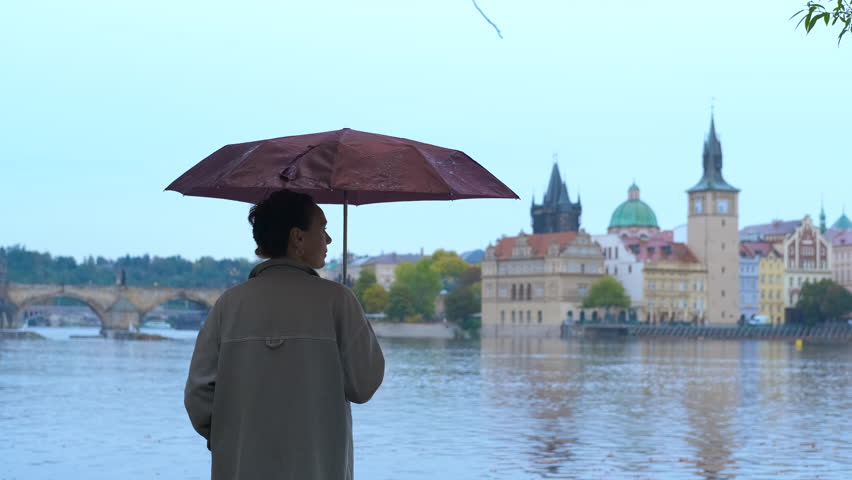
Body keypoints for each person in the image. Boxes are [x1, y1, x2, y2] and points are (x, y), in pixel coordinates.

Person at [185, 190, 385, 480]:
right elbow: (363, 385)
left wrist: (232, 441)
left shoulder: (228, 304)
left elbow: (198, 396)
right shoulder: (338, 300)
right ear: (298, 238)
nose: (328, 240)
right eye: (323, 228)